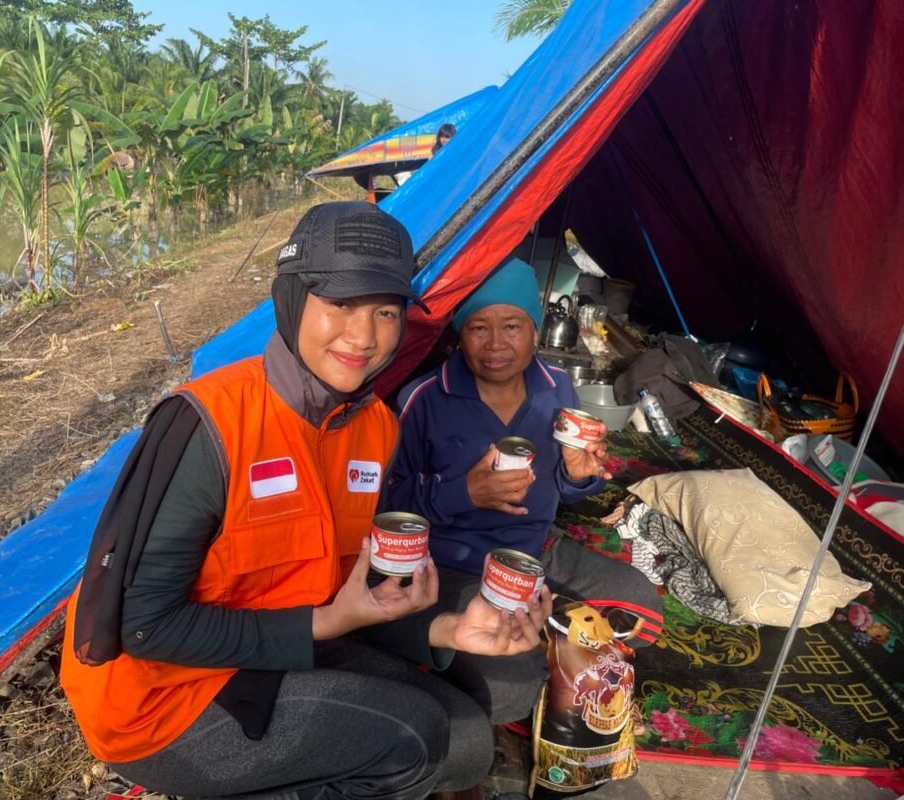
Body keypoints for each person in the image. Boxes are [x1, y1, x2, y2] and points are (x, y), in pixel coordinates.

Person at [60, 203, 551, 800]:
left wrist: (450, 627)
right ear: (292, 299)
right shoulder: (210, 424)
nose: (364, 337)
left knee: (482, 723)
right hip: (167, 698)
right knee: (419, 735)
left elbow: (347, 589)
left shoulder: (376, 428)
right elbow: (143, 628)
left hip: (293, 642)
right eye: (340, 305)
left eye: (386, 312)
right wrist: (327, 623)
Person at [388, 257, 663, 725]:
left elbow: (566, 488)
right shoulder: (423, 399)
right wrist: (463, 493)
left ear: (535, 331)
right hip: (455, 564)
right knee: (509, 689)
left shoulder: (556, 388)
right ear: (459, 334)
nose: (496, 344)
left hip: (534, 551)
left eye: (512, 325)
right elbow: (386, 506)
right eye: (478, 328)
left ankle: (543, 634)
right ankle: (526, 646)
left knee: (642, 609)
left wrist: (578, 475)